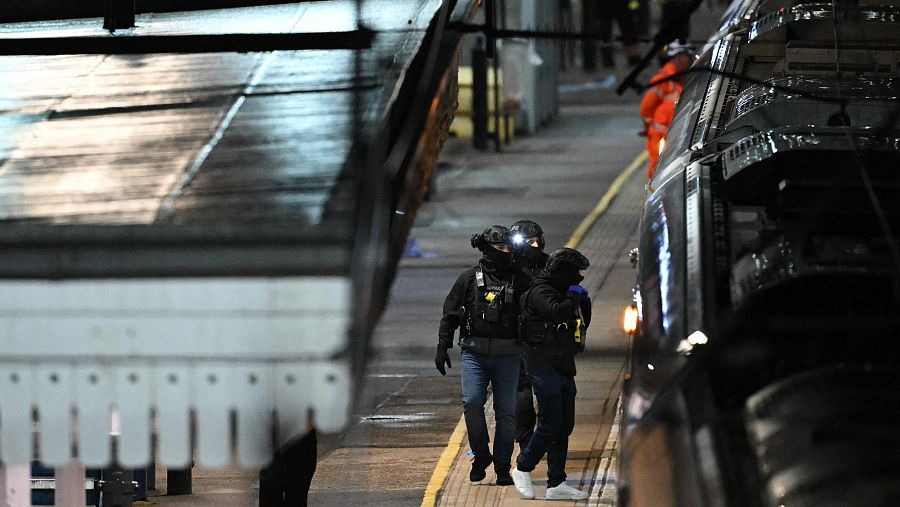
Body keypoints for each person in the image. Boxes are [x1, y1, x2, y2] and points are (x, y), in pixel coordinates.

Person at [436, 225, 523, 486]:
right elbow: (450, 315)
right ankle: (481, 455)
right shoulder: (468, 279)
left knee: (506, 412)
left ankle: (503, 467)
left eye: (509, 249)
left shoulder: (520, 280)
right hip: (474, 354)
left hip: (508, 355)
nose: (505, 253)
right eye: (500, 249)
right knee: (472, 402)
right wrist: (443, 346)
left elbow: (535, 312)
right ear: (486, 249)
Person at [511, 248, 592, 501]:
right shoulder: (540, 292)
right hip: (542, 364)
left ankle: (556, 482)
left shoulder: (559, 290)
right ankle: (523, 467)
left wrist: (580, 300)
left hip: (562, 363)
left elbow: (580, 321)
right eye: (575, 273)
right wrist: (573, 297)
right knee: (550, 422)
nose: (579, 278)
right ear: (562, 271)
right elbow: (557, 311)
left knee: (565, 424)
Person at [508, 219, 549, 453]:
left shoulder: (550, 265)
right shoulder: (508, 269)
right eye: (528, 242)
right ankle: (525, 441)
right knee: (522, 394)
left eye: (536, 241)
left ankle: (545, 438)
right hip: (519, 340)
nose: (534, 246)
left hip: (545, 339)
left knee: (548, 393)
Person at [639, 39, 695, 179]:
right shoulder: (664, 79)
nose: (689, 62)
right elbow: (646, 108)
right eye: (688, 58)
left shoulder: (681, 79)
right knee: (658, 173)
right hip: (661, 136)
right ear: (680, 57)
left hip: (672, 136)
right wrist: (649, 129)